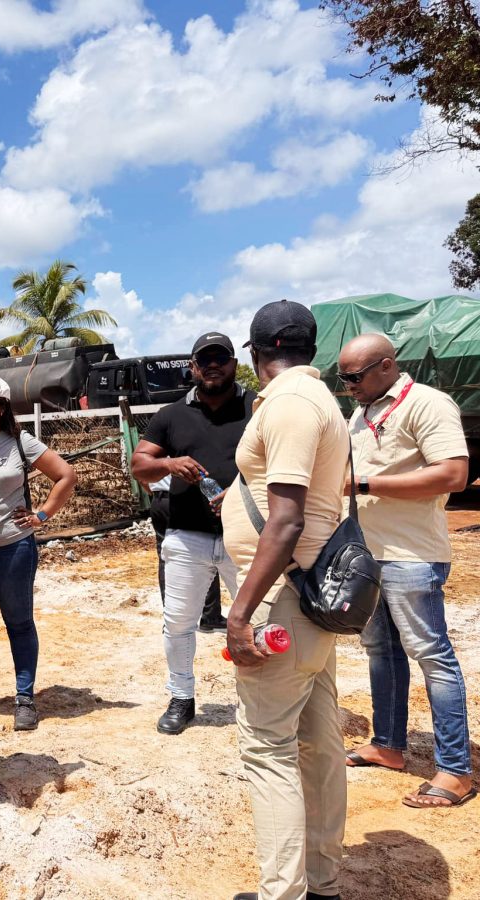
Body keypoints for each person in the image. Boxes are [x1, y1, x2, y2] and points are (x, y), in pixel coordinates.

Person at [221, 301, 348, 900]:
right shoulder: (319, 401)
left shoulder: (292, 406)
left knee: (268, 747)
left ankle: (283, 894)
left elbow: (286, 519)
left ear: (256, 350)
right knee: (320, 741)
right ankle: (320, 882)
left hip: (285, 597)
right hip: (309, 601)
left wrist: (240, 612)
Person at [336, 334, 474, 808]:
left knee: (432, 656)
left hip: (413, 555)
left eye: (354, 376)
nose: (347, 385)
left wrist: (365, 482)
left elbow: (453, 473)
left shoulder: (429, 404)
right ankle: (388, 745)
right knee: (381, 653)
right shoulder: (362, 411)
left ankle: (455, 770)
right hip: (370, 555)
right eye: (343, 377)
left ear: (387, 366)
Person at [130, 332, 255, 735]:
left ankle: (258, 703)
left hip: (246, 536)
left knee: (257, 619)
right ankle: (181, 698)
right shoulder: (171, 415)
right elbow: (139, 464)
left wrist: (239, 494)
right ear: (193, 368)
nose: (213, 365)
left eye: (221, 358)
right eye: (206, 360)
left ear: (234, 363)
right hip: (187, 536)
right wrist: (169, 464)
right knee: (178, 622)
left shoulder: (257, 408)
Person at [0, 376, 76, 732]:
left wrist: (42, 514)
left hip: (14, 547)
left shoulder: (18, 442)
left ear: (1, 408)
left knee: (18, 622)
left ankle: (25, 698)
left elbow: (65, 475)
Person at [148, 476, 226, 634]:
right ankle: (210, 617)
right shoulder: (181, 451)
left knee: (166, 560)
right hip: (185, 500)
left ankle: (172, 621)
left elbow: (142, 479)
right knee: (207, 548)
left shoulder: (152, 452)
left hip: (159, 500)